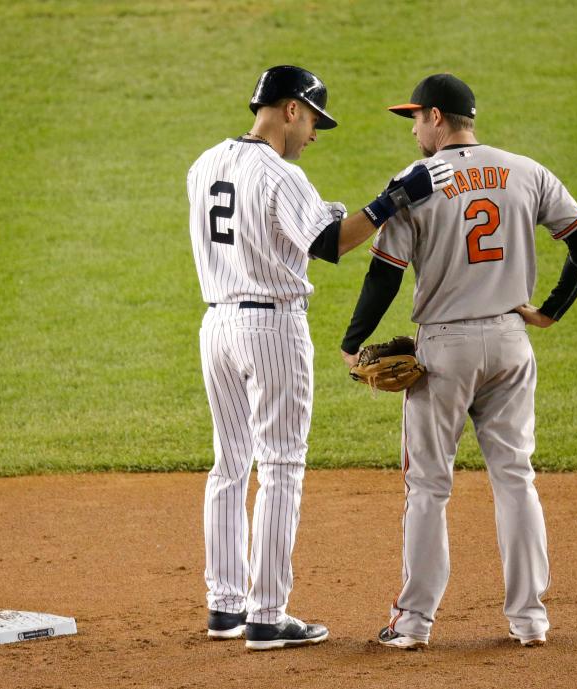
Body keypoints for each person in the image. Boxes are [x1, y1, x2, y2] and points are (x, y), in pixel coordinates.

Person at [188, 65, 454, 651]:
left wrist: (338, 210)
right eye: (312, 120)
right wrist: (389, 202)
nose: (313, 133)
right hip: (272, 329)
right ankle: (267, 614)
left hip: (217, 325)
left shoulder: (204, 164)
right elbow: (329, 244)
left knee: (229, 465)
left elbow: (269, 228)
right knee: (280, 466)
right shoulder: (281, 176)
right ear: (288, 109)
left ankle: (225, 606)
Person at [340, 74, 577, 649]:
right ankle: (530, 620)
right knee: (515, 479)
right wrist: (551, 311)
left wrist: (352, 339)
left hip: (445, 351)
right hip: (512, 341)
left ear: (437, 118)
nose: (413, 130)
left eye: (415, 119)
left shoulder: (417, 183)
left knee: (428, 486)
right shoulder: (525, 170)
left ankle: (412, 624)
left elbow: (383, 273)